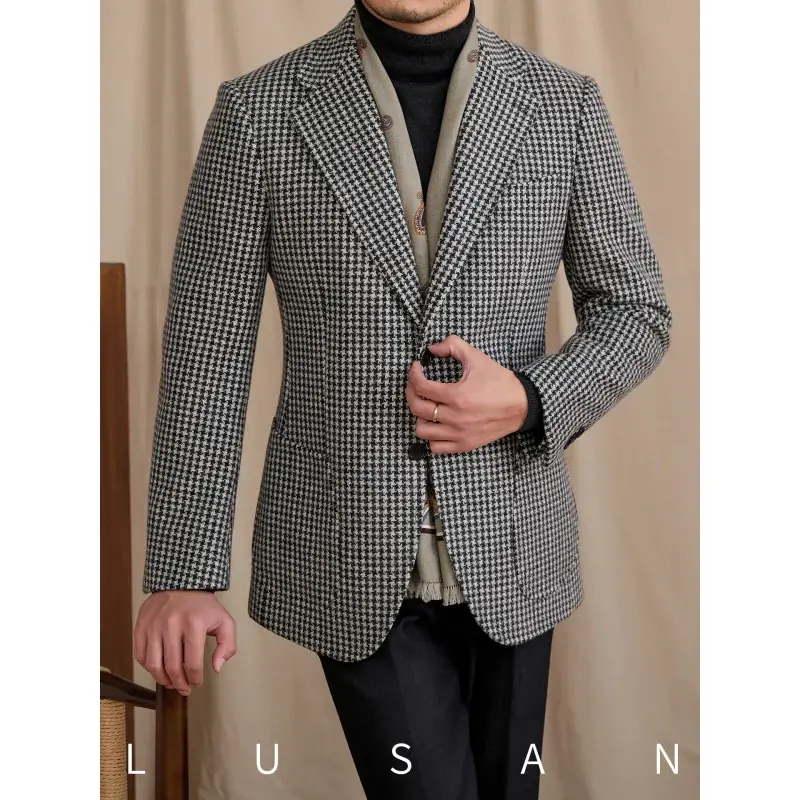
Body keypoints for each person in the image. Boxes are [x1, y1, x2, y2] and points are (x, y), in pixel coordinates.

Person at [133, 1, 672, 797]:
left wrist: (529, 397)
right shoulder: (258, 111)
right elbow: (207, 352)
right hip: (346, 550)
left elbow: (636, 313)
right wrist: (184, 570)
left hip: (517, 549)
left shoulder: (565, 105)